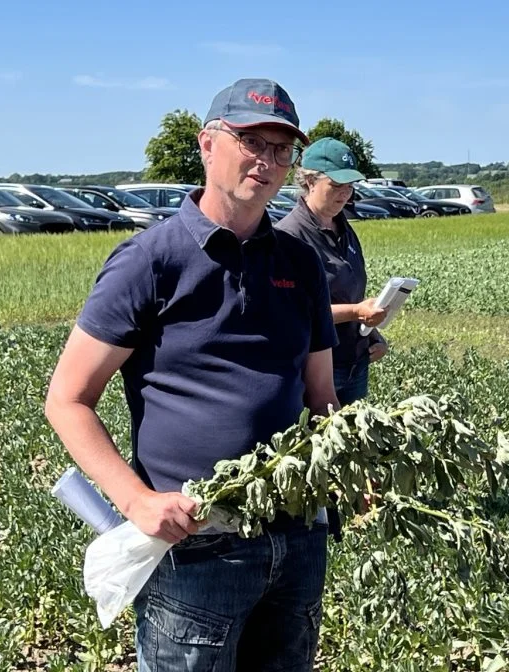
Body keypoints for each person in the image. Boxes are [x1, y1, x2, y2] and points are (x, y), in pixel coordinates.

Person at [43, 78, 340, 672]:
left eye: (283, 149)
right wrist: (135, 501)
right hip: (196, 550)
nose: (268, 160)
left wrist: (351, 466)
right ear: (208, 145)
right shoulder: (151, 260)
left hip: (296, 536)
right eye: (250, 140)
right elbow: (67, 399)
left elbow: (323, 397)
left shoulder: (298, 261)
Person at [275, 137, 389, 406]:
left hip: (355, 361)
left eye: (349, 187)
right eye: (336, 185)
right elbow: (294, 314)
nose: (345, 194)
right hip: (318, 370)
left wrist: (370, 330)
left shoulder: (344, 229)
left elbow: (349, 293)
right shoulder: (289, 237)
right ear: (310, 181)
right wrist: (356, 311)